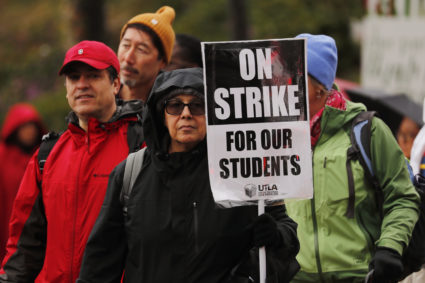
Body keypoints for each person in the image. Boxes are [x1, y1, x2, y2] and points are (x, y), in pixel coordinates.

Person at [77, 68, 300, 283]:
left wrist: (276, 236)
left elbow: (286, 235)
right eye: (174, 106)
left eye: (197, 105)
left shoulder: (241, 169)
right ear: (161, 115)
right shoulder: (129, 173)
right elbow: (100, 263)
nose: (185, 114)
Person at [0, 40, 144, 283]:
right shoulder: (46, 155)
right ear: (66, 88)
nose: (82, 85)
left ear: (116, 84)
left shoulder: (141, 146)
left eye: (93, 76)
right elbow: (24, 246)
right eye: (74, 77)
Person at [286, 34, 420, 282]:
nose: (285, 84)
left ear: (320, 87)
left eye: (294, 76)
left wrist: (389, 248)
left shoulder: (368, 131)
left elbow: (402, 197)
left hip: (360, 276)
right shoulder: (273, 138)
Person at [0, 103, 46, 263]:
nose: (30, 131)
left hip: (35, 231)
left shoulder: (44, 156)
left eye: (32, 126)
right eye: (25, 126)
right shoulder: (3, 157)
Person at [118, 6, 175, 102]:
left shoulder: (170, 108)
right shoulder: (102, 96)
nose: (128, 58)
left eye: (141, 50)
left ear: (162, 62)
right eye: (126, 45)